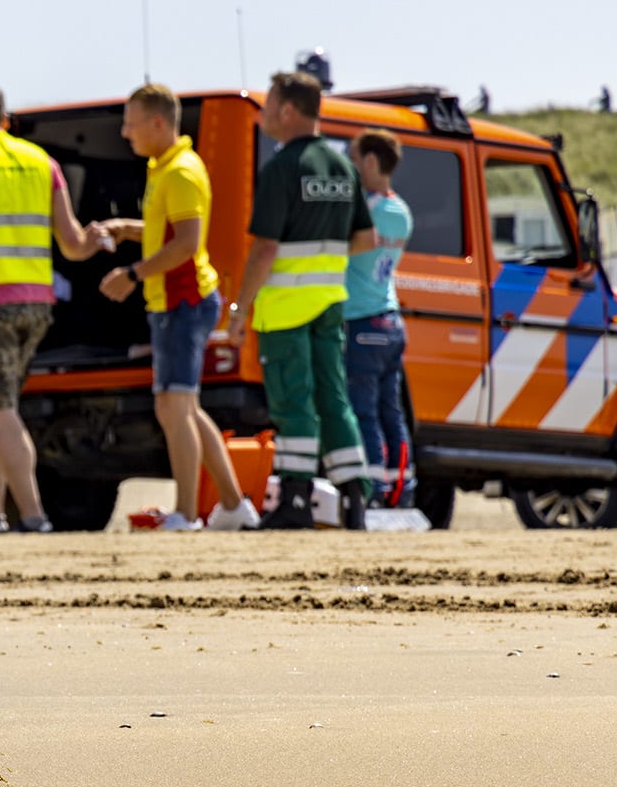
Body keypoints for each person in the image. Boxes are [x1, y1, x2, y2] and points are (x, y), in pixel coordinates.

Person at [0, 82, 104, 534]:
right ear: (6, 120)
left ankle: (32, 514)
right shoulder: (41, 161)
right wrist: (101, 238)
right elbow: (72, 242)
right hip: (35, 304)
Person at [93, 83, 259, 531]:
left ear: (158, 122)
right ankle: (232, 505)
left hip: (183, 302)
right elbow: (165, 229)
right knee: (185, 407)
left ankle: (186, 514)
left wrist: (131, 275)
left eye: (131, 122)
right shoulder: (162, 168)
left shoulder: (181, 171)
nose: (126, 132)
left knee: (174, 409)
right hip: (175, 303)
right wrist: (127, 229)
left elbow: (186, 244)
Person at [225, 71, 376, 530]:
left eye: (269, 106)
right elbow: (366, 239)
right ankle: (354, 499)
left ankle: (295, 497)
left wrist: (240, 308)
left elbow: (265, 248)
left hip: (286, 307)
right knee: (334, 398)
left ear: (288, 110)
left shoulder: (282, 168)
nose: (265, 115)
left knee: (293, 401)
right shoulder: (343, 167)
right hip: (331, 302)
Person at [343, 129, 415, 507]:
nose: (351, 169)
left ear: (370, 161)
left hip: (361, 320)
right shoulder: (401, 212)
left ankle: (372, 491)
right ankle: (403, 490)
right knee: (392, 413)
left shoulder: (365, 210)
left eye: (354, 160)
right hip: (390, 320)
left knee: (363, 412)